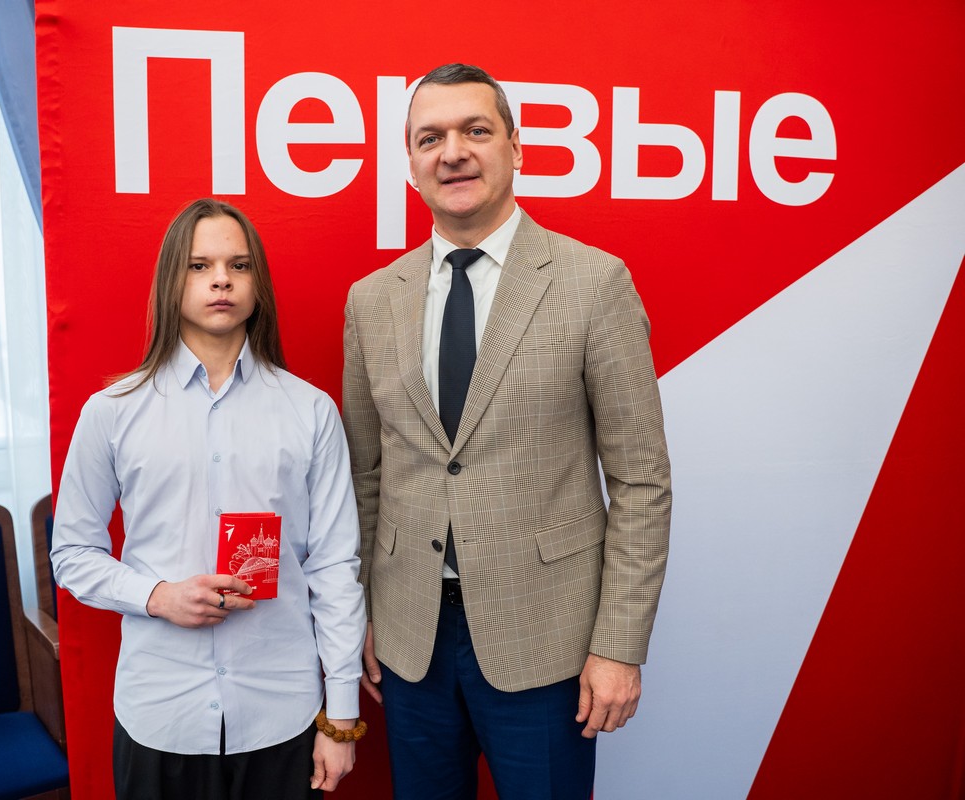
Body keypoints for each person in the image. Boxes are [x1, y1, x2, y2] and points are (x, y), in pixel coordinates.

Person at [341, 64, 671, 799]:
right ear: (410, 162)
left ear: (516, 148)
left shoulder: (594, 283)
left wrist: (618, 646)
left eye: (475, 130)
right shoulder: (371, 302)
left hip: (547, 642)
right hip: (410, 643)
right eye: (430, 138)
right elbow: (366, 476)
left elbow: (642, 482)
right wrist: (360, 612)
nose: (452, 152)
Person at [52, 198, 367, 800]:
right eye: (199, 266)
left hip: (281, 709)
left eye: (238, 265)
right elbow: (71, 553)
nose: (221, 280)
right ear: (172, 280)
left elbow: (333, 564)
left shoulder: (311, 411)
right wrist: (158, 596)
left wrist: (342, 715)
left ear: (257, 284)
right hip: (161, 710)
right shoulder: (112, 412)